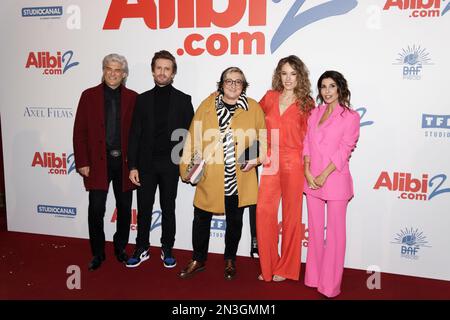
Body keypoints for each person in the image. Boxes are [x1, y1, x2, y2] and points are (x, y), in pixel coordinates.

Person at [178, 67, 266, 280]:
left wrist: (256, 159)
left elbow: (263, 141)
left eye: (238, 81)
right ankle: (198, 259)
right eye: (229, 80)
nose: (233, 85)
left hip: (239, 177)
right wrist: (185, 169)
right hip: (210, 175)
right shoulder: (207, 106)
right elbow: (192, 137)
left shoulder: (253, 108)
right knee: (201, 219)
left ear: (243, 86)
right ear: (221, 83)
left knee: (235, 221)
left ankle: (230, 260)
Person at [126, 50, 194, 268]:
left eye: (167, 69)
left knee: (168, 208)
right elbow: (134, 134)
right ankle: (142, 247)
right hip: (145, 164)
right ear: (153, 71)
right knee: (144, 207)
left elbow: (191, 136)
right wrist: (133, 165)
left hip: (171, 165)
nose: (163, 72)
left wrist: (187, 162)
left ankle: (167, 248)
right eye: (159, 68)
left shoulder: (184, 100)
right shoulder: (142, 100)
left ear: (173, 73)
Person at [73, 53, 137, 271]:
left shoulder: (133, 98)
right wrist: (82, 161)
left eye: (117, 70)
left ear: (124, 74)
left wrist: (136, 164)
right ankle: (98, 253)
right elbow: (79, 131)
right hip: (97, 163)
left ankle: (120, 249)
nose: (112, 73)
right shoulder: (88, 96)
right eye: (108, 68)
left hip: (125, 163)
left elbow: (138, 134)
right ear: (103, 71)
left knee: (125, 208)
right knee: (96, 209)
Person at [256, 55, 314, 282]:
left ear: (299, 76)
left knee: (291, 215)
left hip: (294, 160)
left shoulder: (307, 103)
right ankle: (268, 265)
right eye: (284, 73)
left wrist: (310, 167)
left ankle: (286, 268)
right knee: (264, 212)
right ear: (278, 75)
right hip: (271, 159)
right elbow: (254, 119)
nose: (288, 78)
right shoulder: (270, 97)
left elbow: (311, 138)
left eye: (293, 73)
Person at [303, 70, 360, 298]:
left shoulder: (350, 116)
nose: (327, 91)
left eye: (331, 86)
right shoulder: (314, 113)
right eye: (323, 86)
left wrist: (324, 174)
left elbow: (345, 149)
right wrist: (307, 170)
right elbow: (306, 142)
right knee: (315, 232)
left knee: (335, 235)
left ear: (340, 89)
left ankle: (330, 284)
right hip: (311, 180)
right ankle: (314, 277)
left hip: (335, 180)